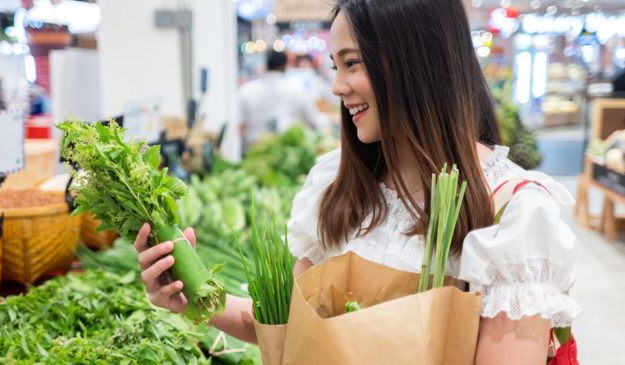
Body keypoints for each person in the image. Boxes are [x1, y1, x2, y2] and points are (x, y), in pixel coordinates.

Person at [135, 0, 581, 363]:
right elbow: (290, 328)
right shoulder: (339, 185)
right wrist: (195, 294)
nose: (337, 86)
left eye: (352, 63)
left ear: (417, 65)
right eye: (335, 65)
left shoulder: (514, 215)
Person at [236, 49, 327, 153]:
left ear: (265, 65)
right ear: (285, 66)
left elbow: (241, 126)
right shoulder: (296, 90)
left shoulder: (246, 90)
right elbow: (313, 120)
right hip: (286, 154)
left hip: (254, 151)